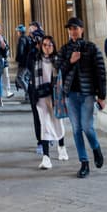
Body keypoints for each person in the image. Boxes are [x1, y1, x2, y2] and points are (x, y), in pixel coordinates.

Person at [57, 17, 107, 178]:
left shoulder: (92, 48)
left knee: (87, 127)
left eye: (75, 28)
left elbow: (100, 72)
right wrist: (70, 61)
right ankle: (84, 163)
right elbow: (58, 70)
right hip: (71, 94)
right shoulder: (65, 50)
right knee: (77, 129)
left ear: (82, 30)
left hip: (87, 94)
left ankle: (96, 147)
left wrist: (102, 96)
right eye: (70, 29)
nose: (72, 31)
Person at [31, 34, 68, 169]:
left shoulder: (58, 60)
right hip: (41, 96)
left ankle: (61, 146)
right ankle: (46, 158)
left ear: (54, 46)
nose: (47, 47)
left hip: (55, 96)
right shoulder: (35, 59)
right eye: (45, 45)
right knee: (45, 125)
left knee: (58, 121)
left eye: (50, 45)